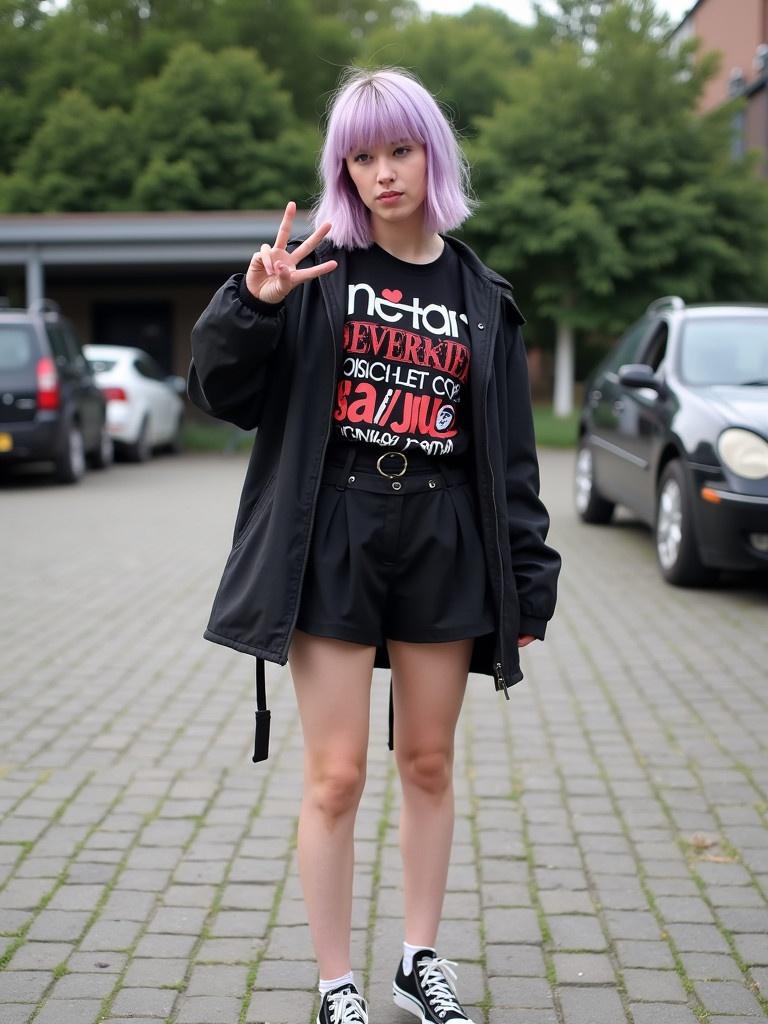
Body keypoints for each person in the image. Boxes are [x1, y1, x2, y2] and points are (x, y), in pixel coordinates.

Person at [187, 66, 561, 1024]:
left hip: (443, 537)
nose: (382, 172)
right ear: (341, 169)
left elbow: (510, 458)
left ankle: (418, 959)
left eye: (399, 150)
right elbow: (222, 394)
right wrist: (254, 305)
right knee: (339, 772)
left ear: (431, 154)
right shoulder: (314, 277)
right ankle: (336, 981)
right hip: (336, 532)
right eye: (361, 156)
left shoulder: (483, 295)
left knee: (428, 762)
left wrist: (529, 582)